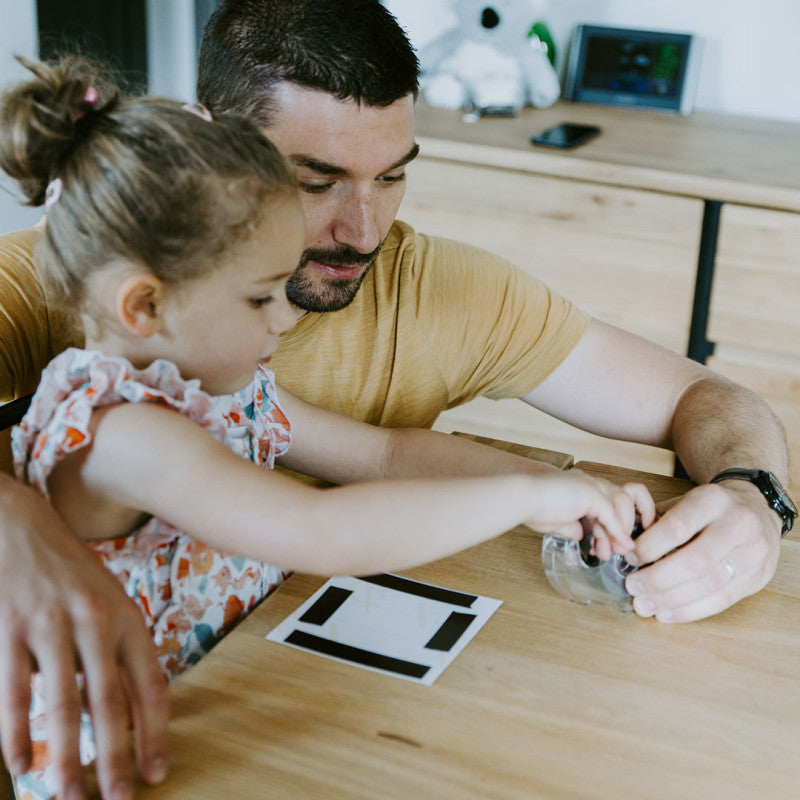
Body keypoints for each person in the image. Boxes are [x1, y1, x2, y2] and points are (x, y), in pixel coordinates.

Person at [0, 0, 792, 796]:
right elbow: (317, 530)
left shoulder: (215, 383)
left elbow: (382, 452)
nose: (364, 229)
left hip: (241, 693)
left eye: (393, 175)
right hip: (126, 757)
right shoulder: (123, 423)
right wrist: (520, 490)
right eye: (316, 181)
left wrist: (590, 493)